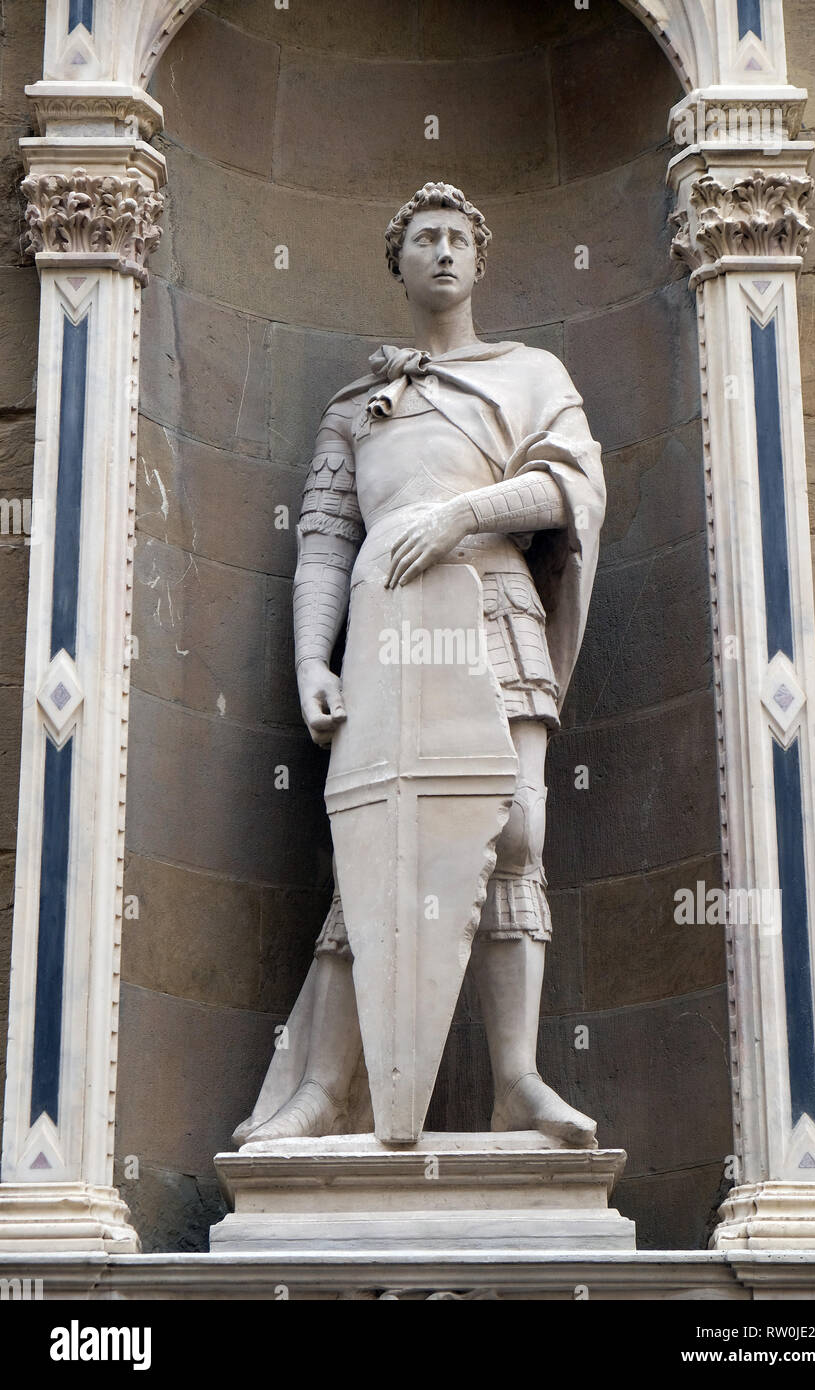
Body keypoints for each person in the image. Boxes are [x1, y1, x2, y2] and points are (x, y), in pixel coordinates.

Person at [235, 182, 606, 1148]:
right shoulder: (357, 406)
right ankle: (322, 1088)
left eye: (456, 238)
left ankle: (517, 1080)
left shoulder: (530, 374)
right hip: (386, 628)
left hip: (491, 604)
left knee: (516, 831)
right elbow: (322, 536)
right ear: (397, 264)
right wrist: (313, 659)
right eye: (423, 238)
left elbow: (566, 486)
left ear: (479, 261)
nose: (442, 251)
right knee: (373, 847)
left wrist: (459, 516)